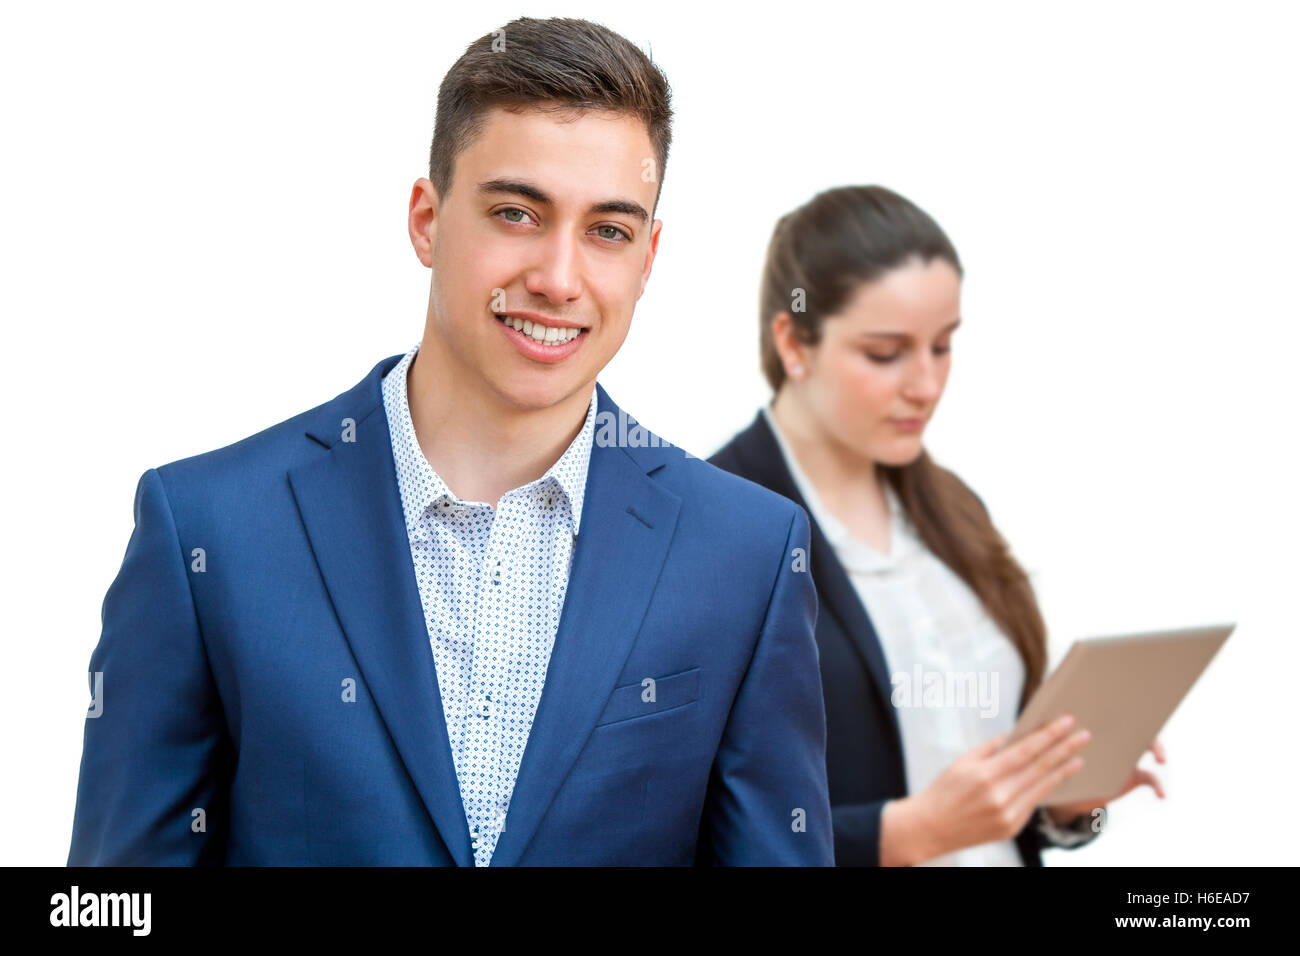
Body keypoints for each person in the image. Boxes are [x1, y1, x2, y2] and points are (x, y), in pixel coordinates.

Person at [67, 16, 833, 867]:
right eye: (516, 212)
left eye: (607, 231)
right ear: (426, 220)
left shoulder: (748, 555)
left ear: (648, 257)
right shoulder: (208, 529)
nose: (558, 277)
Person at [709, 185, 1164, 866]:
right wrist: (906, 833)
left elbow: (980, 780)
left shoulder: (952, 507)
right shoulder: (712, 527)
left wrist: (1061, 798)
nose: (925, 385)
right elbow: (690, 824)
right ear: (793, 341)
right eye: (886, 353)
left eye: (943, 346)